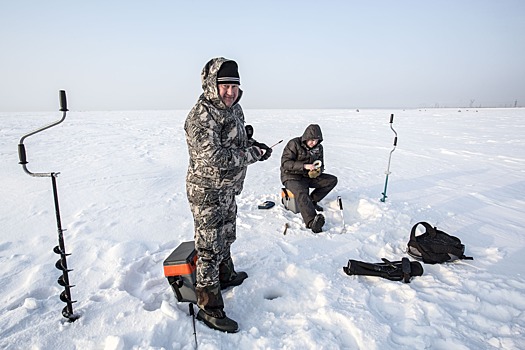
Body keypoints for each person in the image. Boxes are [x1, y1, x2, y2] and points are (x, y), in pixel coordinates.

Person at [184, 57, 272, 333]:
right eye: (225, 85)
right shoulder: (201, 115)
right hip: (206, 191)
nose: (230, 91)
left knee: (227, 234)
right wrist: (252, 155)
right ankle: (209, 307)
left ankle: (226, 274)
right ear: (212, 84)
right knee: (209, 247)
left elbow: (238, 141)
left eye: (234, 85)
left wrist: (254, 145)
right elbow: (214, 157)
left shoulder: (234, 109)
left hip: (228, 189)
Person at [280, 124, 338, 233]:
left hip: (308, 176)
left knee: (331, 181)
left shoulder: (319, 148)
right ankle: (312, 222)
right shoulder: (294, 144)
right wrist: (305, 166)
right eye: (311, 140)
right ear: (306, 137)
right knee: (302, 192)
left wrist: (317, 171)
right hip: (291, 176)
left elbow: (321, 165)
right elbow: (285, 163)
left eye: (316, 140)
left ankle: (312, 201)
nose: (314, 143)